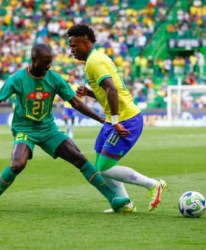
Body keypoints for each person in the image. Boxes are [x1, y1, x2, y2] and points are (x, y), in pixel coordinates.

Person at [0, 43, 130, 213]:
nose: (48, 66)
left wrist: (101, 118)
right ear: (34, 60)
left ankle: (112, 199)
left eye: (50, 62)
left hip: (48, 129)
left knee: (78, 158)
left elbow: (75, 102)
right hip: (25, 129)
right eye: (45, 62)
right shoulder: (17, 79)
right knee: (17, 164)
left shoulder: (54, 78)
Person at [67, 24, 167, 213]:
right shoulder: (96, 58)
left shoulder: (94, 62)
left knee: (104, 167)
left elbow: (112, 89)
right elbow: (109, 92)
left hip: (125, 120)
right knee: (100, 164)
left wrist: (115, 122)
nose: (71, 50)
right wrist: (90, 93)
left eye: (74, 45)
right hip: (114, 120)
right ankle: (125, 202)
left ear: (86, 42)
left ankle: (153, 184)